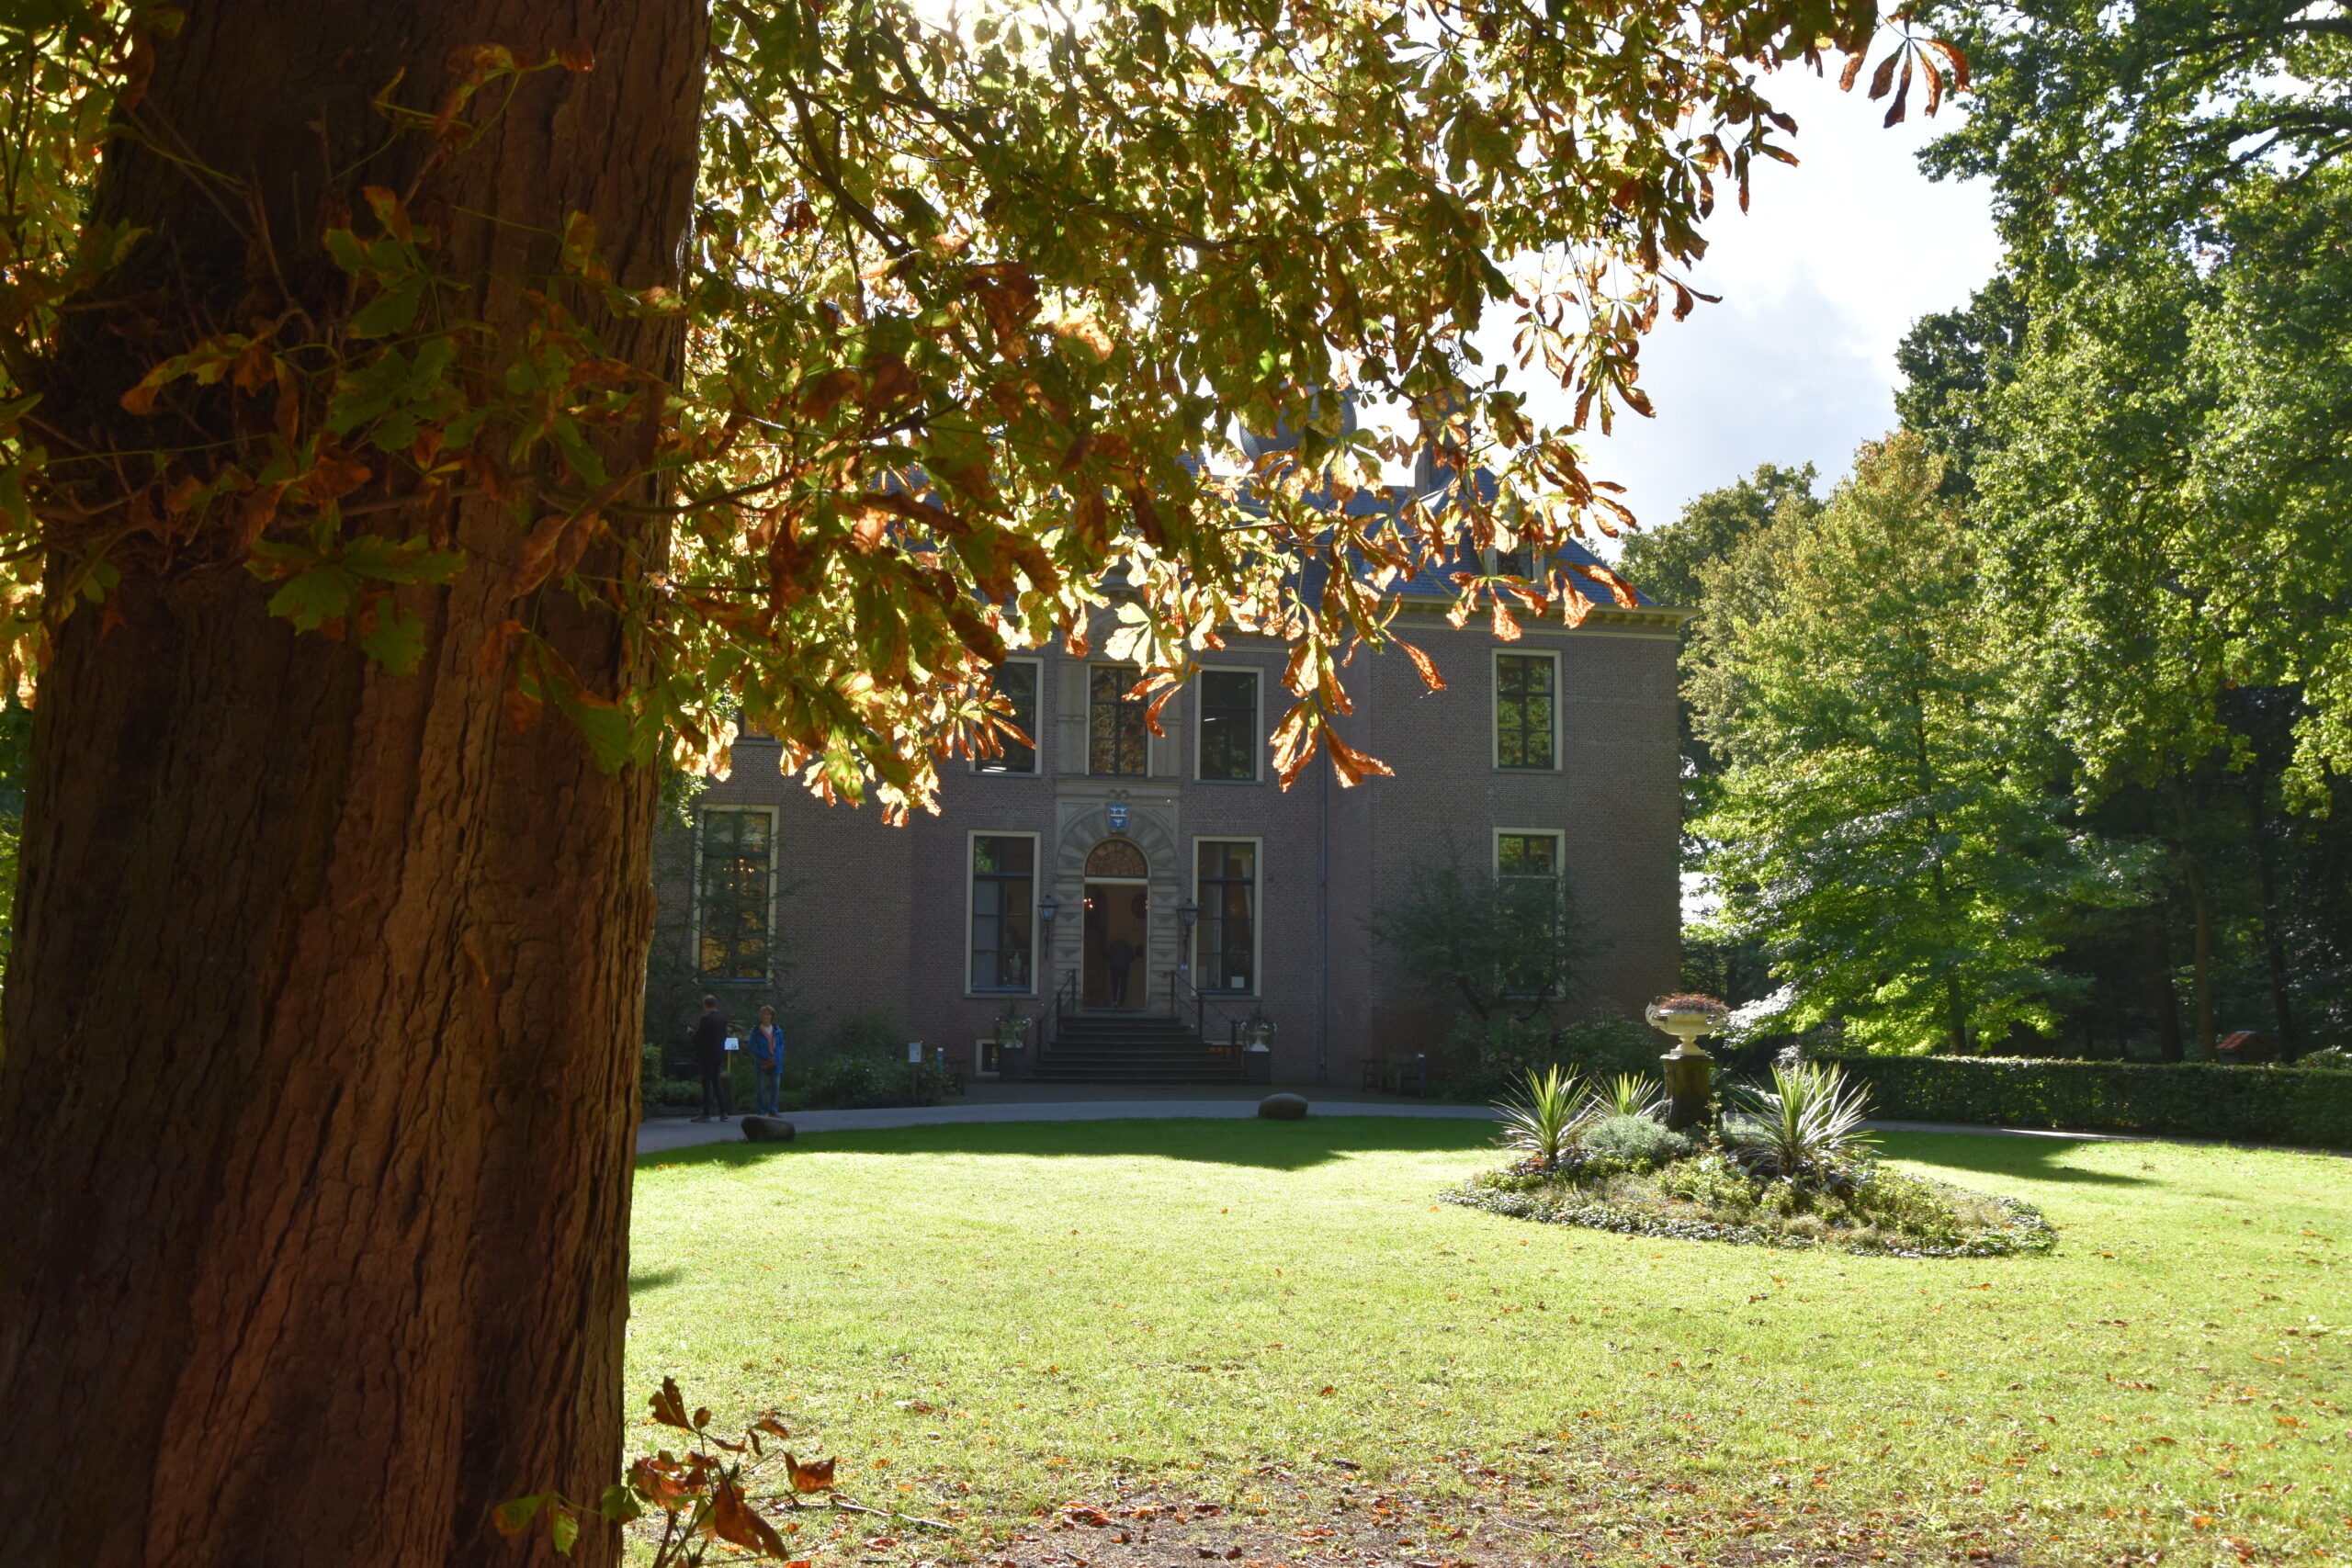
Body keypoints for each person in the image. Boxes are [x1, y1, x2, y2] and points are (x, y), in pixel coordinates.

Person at [689, 994, 730, 1123]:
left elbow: (700, 1037)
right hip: (718, 1054)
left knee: (706, 1083)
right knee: (717, 1082)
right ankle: (723, 1111)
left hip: (707, 1055)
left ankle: (706, 1113)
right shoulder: (722, 1019)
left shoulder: (706, 1019)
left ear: (705, 1005)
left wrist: (691, 1033)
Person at [749, 1005, 784, 1115]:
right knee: (761, 1088)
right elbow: (751, 1045)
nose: (765, 1016)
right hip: (762, 1062)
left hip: (775, 1061)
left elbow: (782, 1043)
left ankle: (773, 1110)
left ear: (771, 1016)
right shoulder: (757, 1031)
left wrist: (779, 1053)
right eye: (763, 1014)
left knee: (775, 1087)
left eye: (768, 1014)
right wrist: (761, 1054)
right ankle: (761, 1110)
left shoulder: (777, 1030)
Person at [1104, 935, 1136, 1007]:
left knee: (1114, 985)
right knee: (1123, 986)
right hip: (1124, 968)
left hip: (1114, 968)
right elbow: (1132, 957)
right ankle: (1121, 1003)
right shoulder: (1128, 946)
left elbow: (1107, 957)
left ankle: (1115, 1001)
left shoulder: (1112, 946)